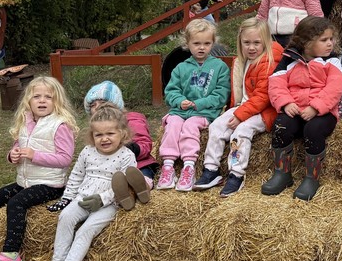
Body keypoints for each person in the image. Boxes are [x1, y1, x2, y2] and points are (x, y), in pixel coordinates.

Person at [0, 76, 79, 261]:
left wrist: (35, 155)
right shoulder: (25, 122)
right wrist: (13, 155)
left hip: (50, 184)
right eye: (37, 96)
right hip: (24, 182)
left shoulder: (60, 126)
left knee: (16, 204)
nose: (42, 101)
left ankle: (11, 255)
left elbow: (65, 159)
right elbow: (16, 148)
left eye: (48, 97)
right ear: (28, 100)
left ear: (57, 101)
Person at [36, 105, 140, 261]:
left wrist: (102, 199)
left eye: (110, 133)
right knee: (65, 217)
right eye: (98, 135)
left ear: (122, 133)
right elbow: (76, 175)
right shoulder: (87, 152)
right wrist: (68, 197)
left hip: (108, 204)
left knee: (86, 230)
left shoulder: (127, 156)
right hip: (83, 197)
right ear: (92, 136)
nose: (104, 138)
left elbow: (124, 184)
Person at [196, 19, 283, 197]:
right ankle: (211, 169)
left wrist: (240, 116)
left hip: (264, 111)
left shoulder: (268, 62)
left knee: (241, 131)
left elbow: (263, 97)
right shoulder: (242, 61)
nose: (251, 47)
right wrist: (235, 111)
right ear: (240, 42)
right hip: (244, 107)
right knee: (216, 126)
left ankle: (236, 174)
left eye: (257, 43)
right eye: (247, 43)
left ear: (265, 42)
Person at [262, 16, 342, 201]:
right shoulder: (288, 60)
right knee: (281, 125)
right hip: (295, 109)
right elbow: (276, 84)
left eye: (331, 39)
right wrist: (285, 102)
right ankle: (282, 173)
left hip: (322, 112)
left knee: (313, 130)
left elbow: (334, 88)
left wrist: (316, 108)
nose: (330, 44)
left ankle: (311, 178)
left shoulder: (332, 61)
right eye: (324, 40)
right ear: (306, 42)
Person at [156, 18, 230, 192]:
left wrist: (198, 104)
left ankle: (189, 166)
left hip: (204, 113)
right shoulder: (181, 68)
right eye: (196, 43)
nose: (201, 47)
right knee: (172, 124)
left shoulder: (220, 67)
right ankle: (168, 166)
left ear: (213, 43)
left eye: (206, 43)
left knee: (190, 126)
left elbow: (221, 94)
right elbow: (171, 91)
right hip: (180, 110)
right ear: (187, 43)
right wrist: (180, 101)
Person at [83, 80, 155, 187]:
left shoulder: (131, 119)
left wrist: (131, 148)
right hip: (108, 168)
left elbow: (144, 143)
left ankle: (143, 187)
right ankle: (124, 193)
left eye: (103, 103)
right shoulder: (95, 128)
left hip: (138, 164)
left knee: (140, 176)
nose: (97, 107)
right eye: (93, 105)